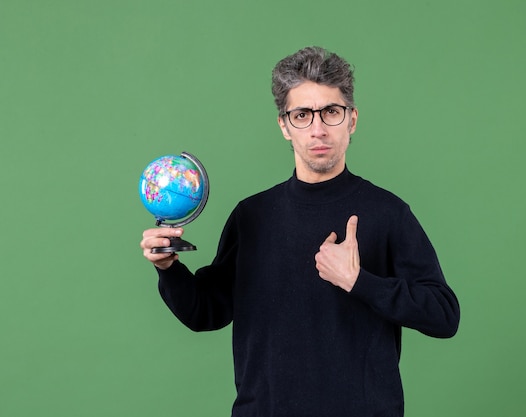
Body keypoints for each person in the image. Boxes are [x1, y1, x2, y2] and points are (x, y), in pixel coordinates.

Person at [140, 46, 460, 417]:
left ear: (351, 120)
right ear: (284, 126)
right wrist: (168, 269)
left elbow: (444, 315)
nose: (318, 128)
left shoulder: (388, 213)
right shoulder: (251, 216)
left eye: (331, 112)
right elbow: (205, 312)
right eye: (302, 115)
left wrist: (359, 281)